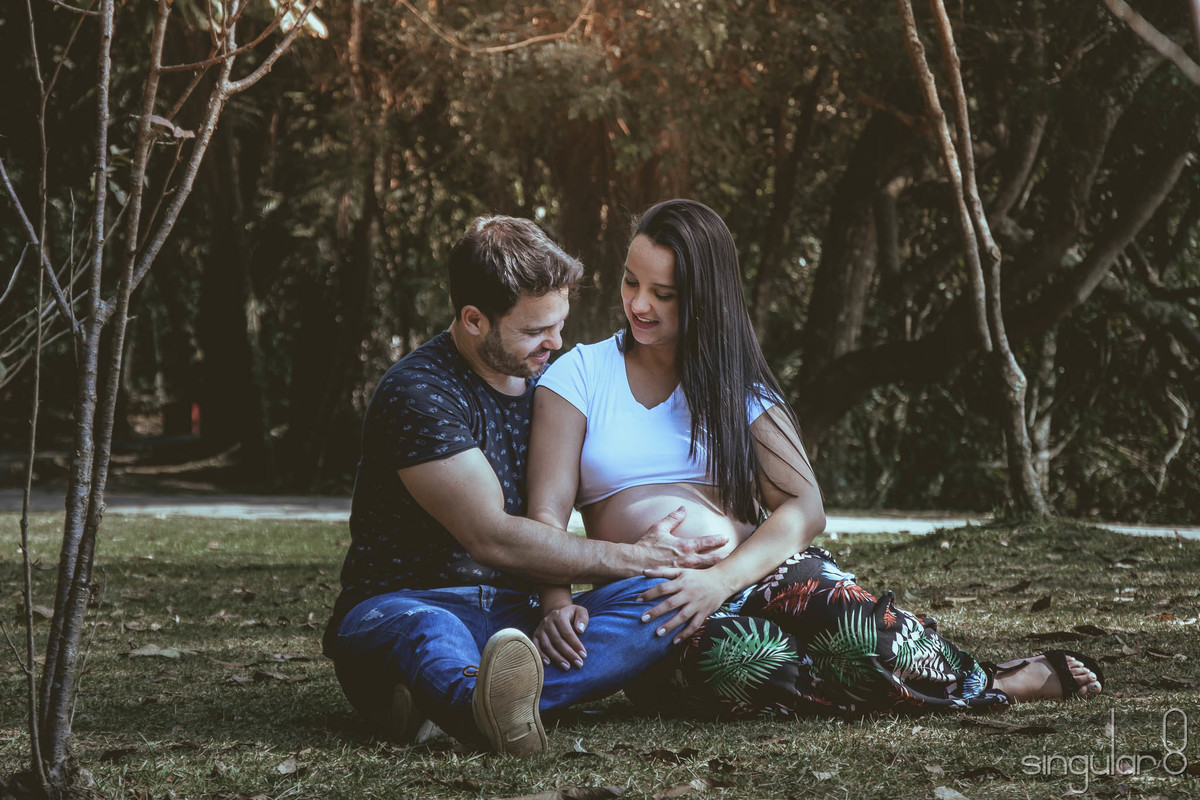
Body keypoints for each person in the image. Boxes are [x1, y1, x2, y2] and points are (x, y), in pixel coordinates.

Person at [527, 199, 1105, 719]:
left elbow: (803, 508)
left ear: (706, 297)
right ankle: (880, 681)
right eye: (631, 283)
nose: (640, 304)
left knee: (862, 638)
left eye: (664, 293)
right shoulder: (580, 375)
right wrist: (555, 601)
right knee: (749, 663)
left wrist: (720, 580)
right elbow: (545, 518)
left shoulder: (736, 384)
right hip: (656, 611)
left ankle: (998, 680)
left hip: (760, 574)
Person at [323, 215, 731, 755]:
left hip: (516, 621)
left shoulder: (551, 387)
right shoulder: (418, 393)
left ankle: (449, 710)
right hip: (404, 602)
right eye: (535, 331)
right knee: (431, 633)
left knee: (659, 598)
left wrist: (558, 601)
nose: (555, 343)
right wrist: (636, 556)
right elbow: (492, 536)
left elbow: (553, 515)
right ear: (473, 319)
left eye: (558, 325)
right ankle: (479, 702)